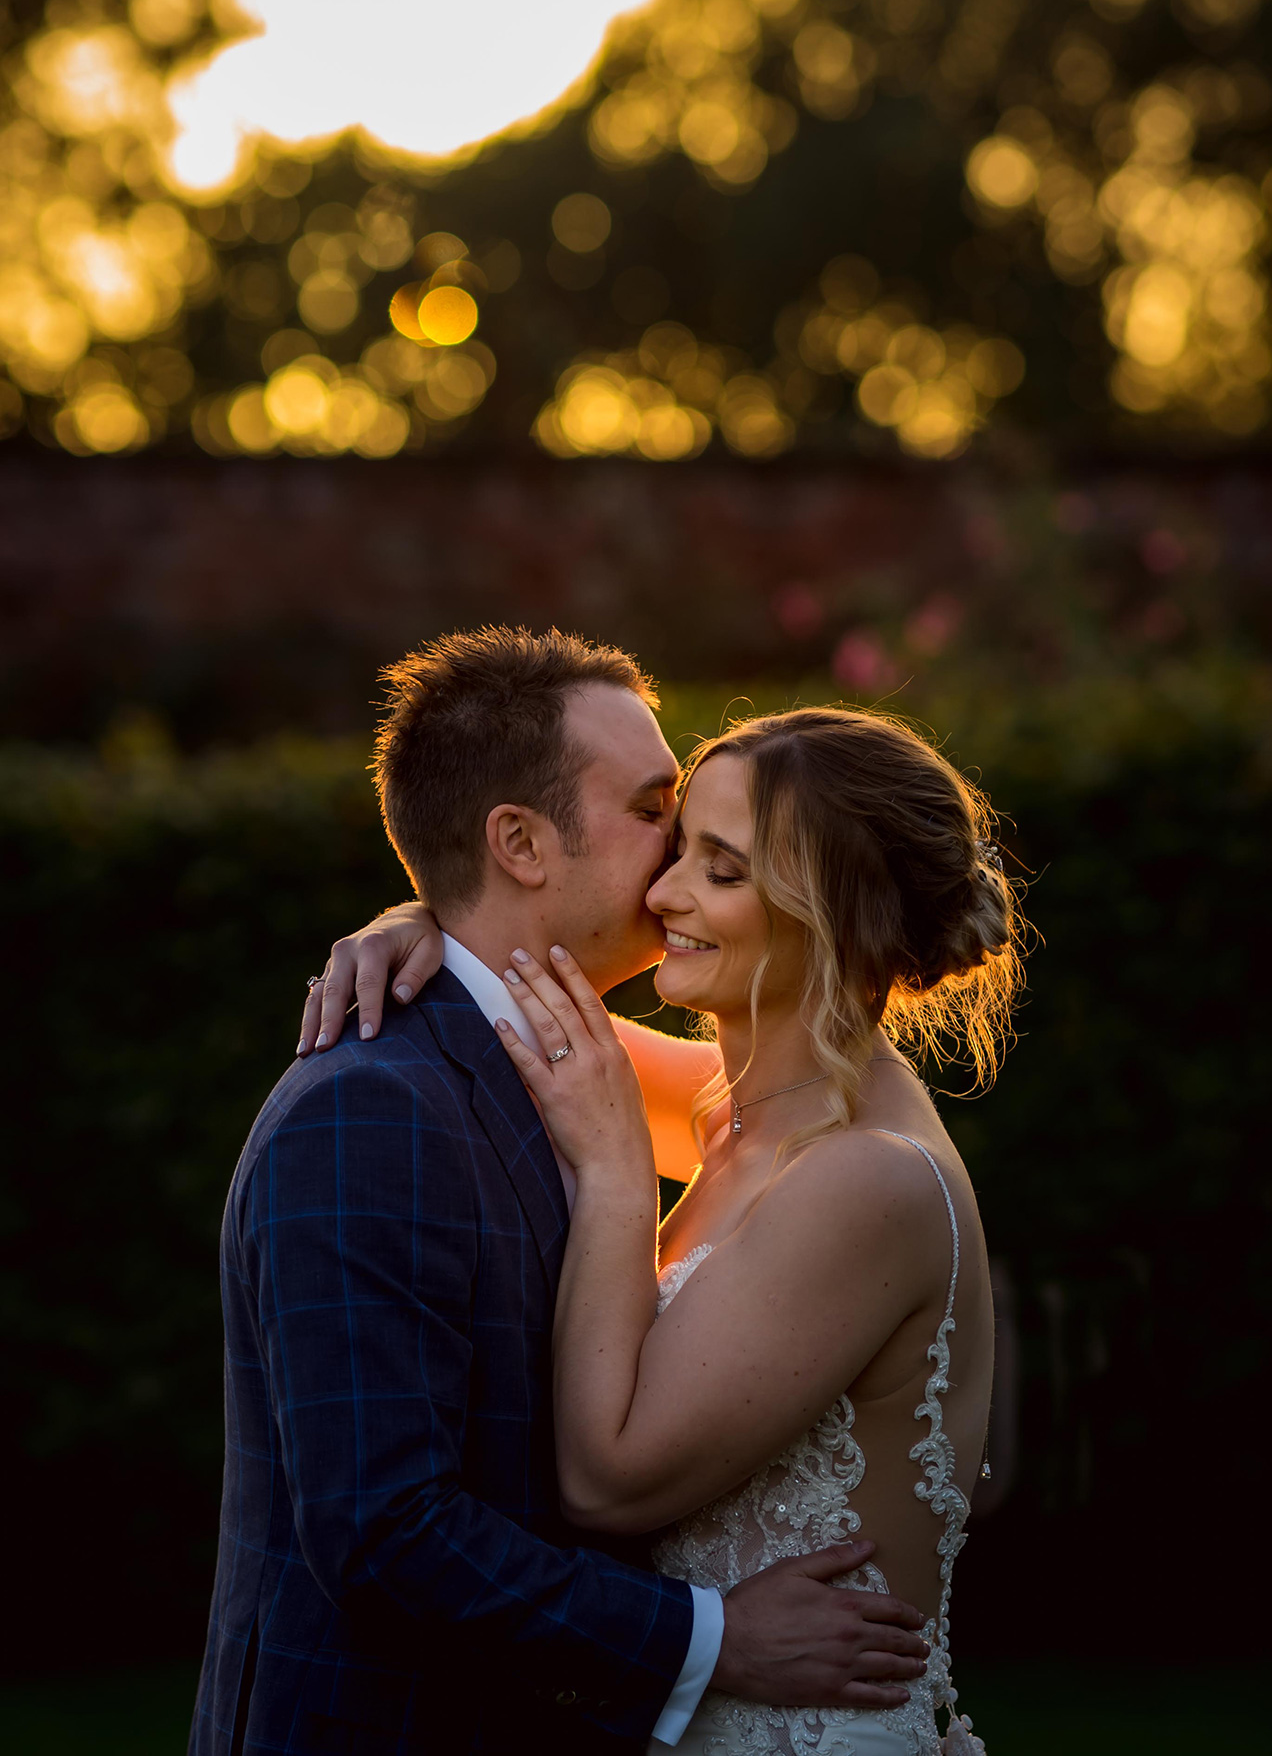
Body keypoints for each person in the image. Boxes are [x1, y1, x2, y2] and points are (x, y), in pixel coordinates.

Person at [189, 628, 933, 1756]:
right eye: (653, 814)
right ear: (521, 843)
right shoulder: (371, 1108)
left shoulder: (584, 1072)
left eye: (709, 849)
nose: (675, 860)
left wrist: (423, 917)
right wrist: (711, 1640)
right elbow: (385, 1532)